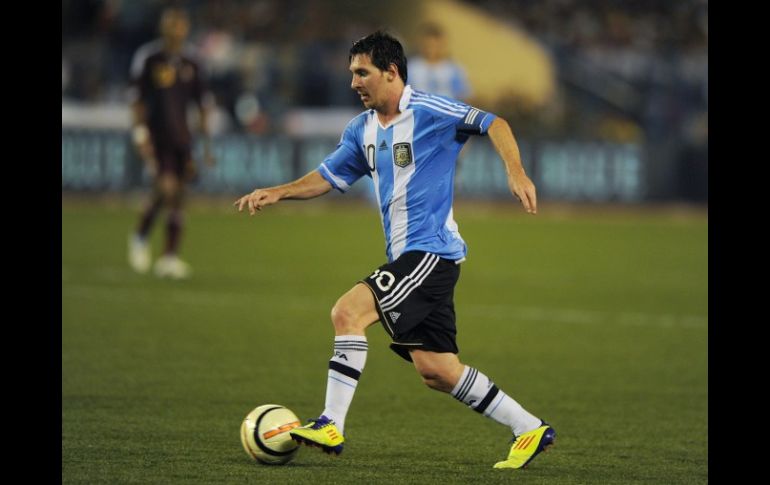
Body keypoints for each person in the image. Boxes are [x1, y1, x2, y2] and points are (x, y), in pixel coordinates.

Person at [234, 31, 555, 469]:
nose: (354, 83)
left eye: (362, 72)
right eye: (351, 73)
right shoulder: (361, 129)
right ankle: (529, 428)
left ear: (391, 72)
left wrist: (516, 172)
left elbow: (494, 123)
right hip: (411, 258)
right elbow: (327, 176)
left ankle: (331, 422)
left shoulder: (430, 110)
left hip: (430, 253)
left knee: (347, 312)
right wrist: (278, 191)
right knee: (437, 370)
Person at [127, 7, 215, 279]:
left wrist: (206, 145)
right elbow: (137, 101)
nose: (176, 29)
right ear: (163, 28)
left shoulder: (192, 62)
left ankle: (169, 258)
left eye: (180, 25)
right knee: (165, 188)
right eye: (171, 24)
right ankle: (140, 236)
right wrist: (140, 135)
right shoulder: (149, 58)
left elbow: (202, 106)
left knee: (179, 197)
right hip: (157, 136)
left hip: (182, 138)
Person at [408, 22, 471, 101]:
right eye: (428, 45)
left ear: (442, 44)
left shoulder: (453, 69)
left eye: (434, 46)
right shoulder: (412, 67)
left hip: (446, 111)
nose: (431, 50)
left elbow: (463, 96)